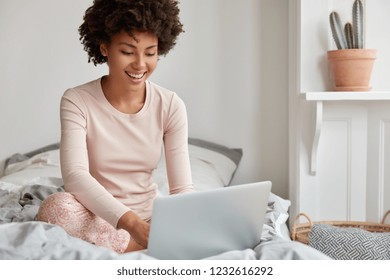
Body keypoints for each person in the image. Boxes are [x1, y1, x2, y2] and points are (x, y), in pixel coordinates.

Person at [37, 0, 194, 254]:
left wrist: (190, 219)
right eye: (128, 51)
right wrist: (132, 226)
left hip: (152, 220)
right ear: (104, 47)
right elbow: (75, 177)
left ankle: (140, 242)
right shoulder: (76, 100)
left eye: (150, 53)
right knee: (56, 208)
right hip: (96, 216)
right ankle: (140, 245)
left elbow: (181, 189)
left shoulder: (171, 105)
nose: (140, 64)